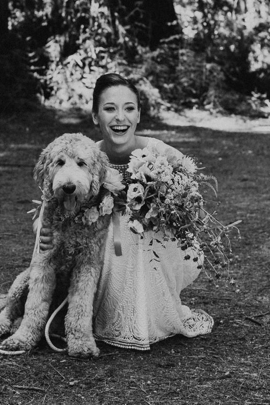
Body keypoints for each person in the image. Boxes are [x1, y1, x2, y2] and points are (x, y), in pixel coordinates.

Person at [74, 72, 214, 349]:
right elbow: (55, 200)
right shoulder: (86, 155)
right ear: (95, 116)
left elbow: (195, 206)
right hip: (102, 241)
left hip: (152, 242)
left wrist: (176, 201)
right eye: (109, 109)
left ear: (138, 115)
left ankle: (146, 314)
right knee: (114, 231)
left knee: (133, 230)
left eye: (129, 108)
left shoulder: (159, 152)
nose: (120, 117)